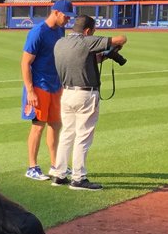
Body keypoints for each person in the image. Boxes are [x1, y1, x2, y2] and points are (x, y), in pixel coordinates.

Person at [52, 14, 127, 191]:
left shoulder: (60, 43)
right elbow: (122, 38)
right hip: (85, 94)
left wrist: (104, 57)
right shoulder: (86, 41)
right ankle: (78, 178)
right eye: (92, 31)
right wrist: (116, 46)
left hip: (67, 93)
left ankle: (59, 174)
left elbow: (81, 60)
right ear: (87, 31)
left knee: (67, 134)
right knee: (83, 137)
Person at [19, 0, 74, 181]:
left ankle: (55, 165)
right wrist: (30, 91)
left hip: (55, 84)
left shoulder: (60, 30)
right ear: (56, 12)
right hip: (39, 85)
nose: (68, 20)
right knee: (38, 126)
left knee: (55, 125)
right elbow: (25, 63)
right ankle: (32, 167)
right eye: (66, 16)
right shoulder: (38, 32)